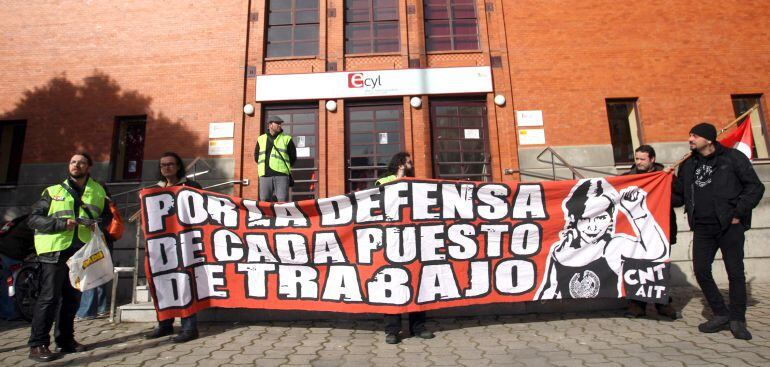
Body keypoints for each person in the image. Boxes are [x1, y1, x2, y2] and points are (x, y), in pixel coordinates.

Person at [672, 122, 764, 340]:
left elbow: (755, 187)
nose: (690, 140)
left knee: (735, 273)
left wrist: (738, 213)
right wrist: (662, 180)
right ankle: (721, 313)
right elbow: (679, 196)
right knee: (701, 271)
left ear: (708, 139)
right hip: (703, 227)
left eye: (694, 136)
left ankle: (738, 320)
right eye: (690, 135)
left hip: (729, 226)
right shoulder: (688, 164)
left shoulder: (732, 158)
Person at [27, 153, 113, 362]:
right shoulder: (53, 191)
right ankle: (38, 344)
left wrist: (95, 223)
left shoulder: (98, 191)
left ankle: (66, 340)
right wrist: (61, 224)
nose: (76, 165)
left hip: (80, 252)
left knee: (72, 298)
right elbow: (34, 219)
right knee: (49, 297)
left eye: (81, 162)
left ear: (89, 167)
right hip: (54, 250)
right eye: (73, 162)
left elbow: (107, 217)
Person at [536, 178, 668, 300]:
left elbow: (656, 251)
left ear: (610, 219)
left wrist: (637, 212)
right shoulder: (560, 250)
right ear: (574, 219)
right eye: (585, 219)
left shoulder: (613, 246)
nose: (592, 227)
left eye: (600, 218)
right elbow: (549, 291)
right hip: (571, 316)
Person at [375, 152, 434, 344]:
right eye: (409, 161)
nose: (412, 164)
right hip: (392, 239)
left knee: (418, 282)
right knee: (392, 284)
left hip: (414, 239)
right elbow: (380, 202)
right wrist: (400, 180)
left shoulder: (415, 184)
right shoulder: (383, 181)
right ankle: (392, 330)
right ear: (401, 163)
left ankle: (418, 327)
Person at [144, 152, 202, 343]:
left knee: (184, 284)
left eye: (170, 164)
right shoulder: (153, 191)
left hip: (184, 245)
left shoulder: (191, 187)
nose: (166, 167)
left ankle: (189, 328)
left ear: (178, 166)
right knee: (162, 284)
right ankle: (165, 324)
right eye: (163, 165)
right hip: (161, 246)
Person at [622, 145, 679, 319]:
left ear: (652, 159)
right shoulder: (627, 179)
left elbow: (679, 199)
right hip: (636, 232)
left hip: (660, 229)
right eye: (636, 159)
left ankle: (662, 304)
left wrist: (662, 191)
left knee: (659, 266)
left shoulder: (666, 177)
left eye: (642, 159)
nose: (638, 162)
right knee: (636, 266)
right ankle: (636, 306)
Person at [255, 115, 296, 202]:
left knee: (282, 200)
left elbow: (293, 157)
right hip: (265, 175)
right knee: (264, 200)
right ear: (270, 125)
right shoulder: (261, 139)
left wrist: (284, 167)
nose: (279, 125)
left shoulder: (286, 139)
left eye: (280, 124)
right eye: (277, 123)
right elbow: (256, 156)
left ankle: (282, 216)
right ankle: (266, 216)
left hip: (281, 175)